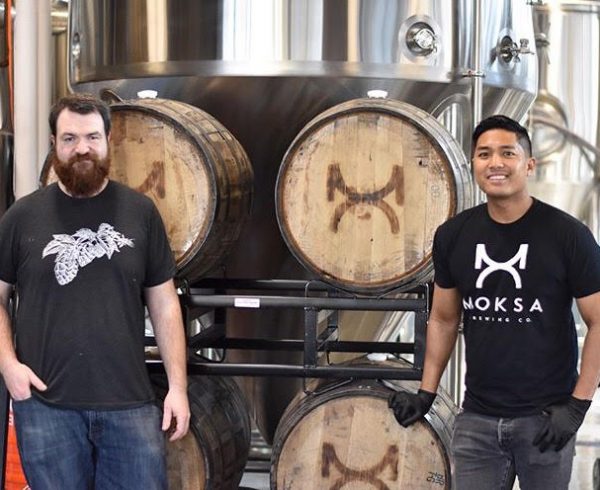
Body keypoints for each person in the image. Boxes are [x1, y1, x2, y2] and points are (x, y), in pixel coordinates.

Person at [389, 115, 600, 489]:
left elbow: (599, 321)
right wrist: (426, 392)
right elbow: (442, 318)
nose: (495, 163)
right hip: (477, 421)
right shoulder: (454, 235)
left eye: (508, 153)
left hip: (546, 419)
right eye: (484, 154)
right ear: (473, 164)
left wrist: (578, 406)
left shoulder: (568, 235)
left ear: (529, 164)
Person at [0, 93, 190, 489]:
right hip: (46, 406)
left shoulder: (140, 212)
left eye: (91, 137)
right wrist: (8, 367)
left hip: (130, 405)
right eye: (69, 139)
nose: (81, 148)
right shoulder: (22, 216)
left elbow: (164, 302)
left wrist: (178, 387)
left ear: (107, 141)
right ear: (54, 144)